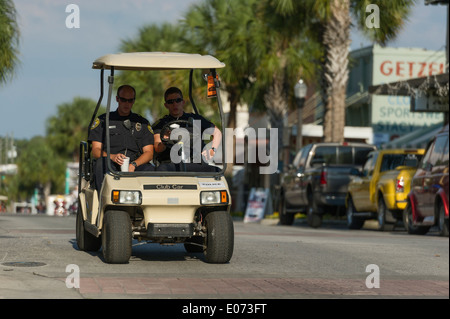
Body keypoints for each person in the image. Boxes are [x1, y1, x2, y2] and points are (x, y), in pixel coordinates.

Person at [89, 84, 155, 192]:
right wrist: (112, 157)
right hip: (111, 163)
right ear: (117, 99)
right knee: (100, 164)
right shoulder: (103, 121)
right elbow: (96, 151)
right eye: (123, 100)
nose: (126, 104)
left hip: (135, 164)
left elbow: (149, 152)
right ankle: (103, 200)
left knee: (151, 169)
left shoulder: (142, 123)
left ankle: (149, 202)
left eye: (130, 100)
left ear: (134, 101)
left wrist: (133, 164)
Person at [152, 87, 222, 171]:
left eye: (178, 100)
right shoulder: (161, 124)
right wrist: (165, 139)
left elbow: (217, 132)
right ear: (166, 105)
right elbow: (157, 148)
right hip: (171, 164)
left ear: (183, 102)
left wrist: (212, 150)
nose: (175, 104)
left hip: (195, 162)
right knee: (162, 169)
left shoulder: (195, 119)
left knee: (216, 171)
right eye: (170, 102)